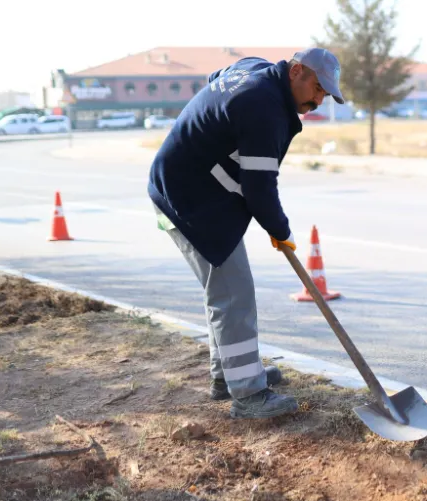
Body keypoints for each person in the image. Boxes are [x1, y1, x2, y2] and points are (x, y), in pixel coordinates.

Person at [147, 48, 345, 419]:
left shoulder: (255, 70)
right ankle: (249, 397)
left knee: (225, 291)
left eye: (325, 95)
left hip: (196, 191)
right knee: (234, 294)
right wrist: (280, 230)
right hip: (187, 200)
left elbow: (216, 81)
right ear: (296, 70)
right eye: (316, 88)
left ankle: (229, 376)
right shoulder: (264, 108)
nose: (318, 100)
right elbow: (259, 188)